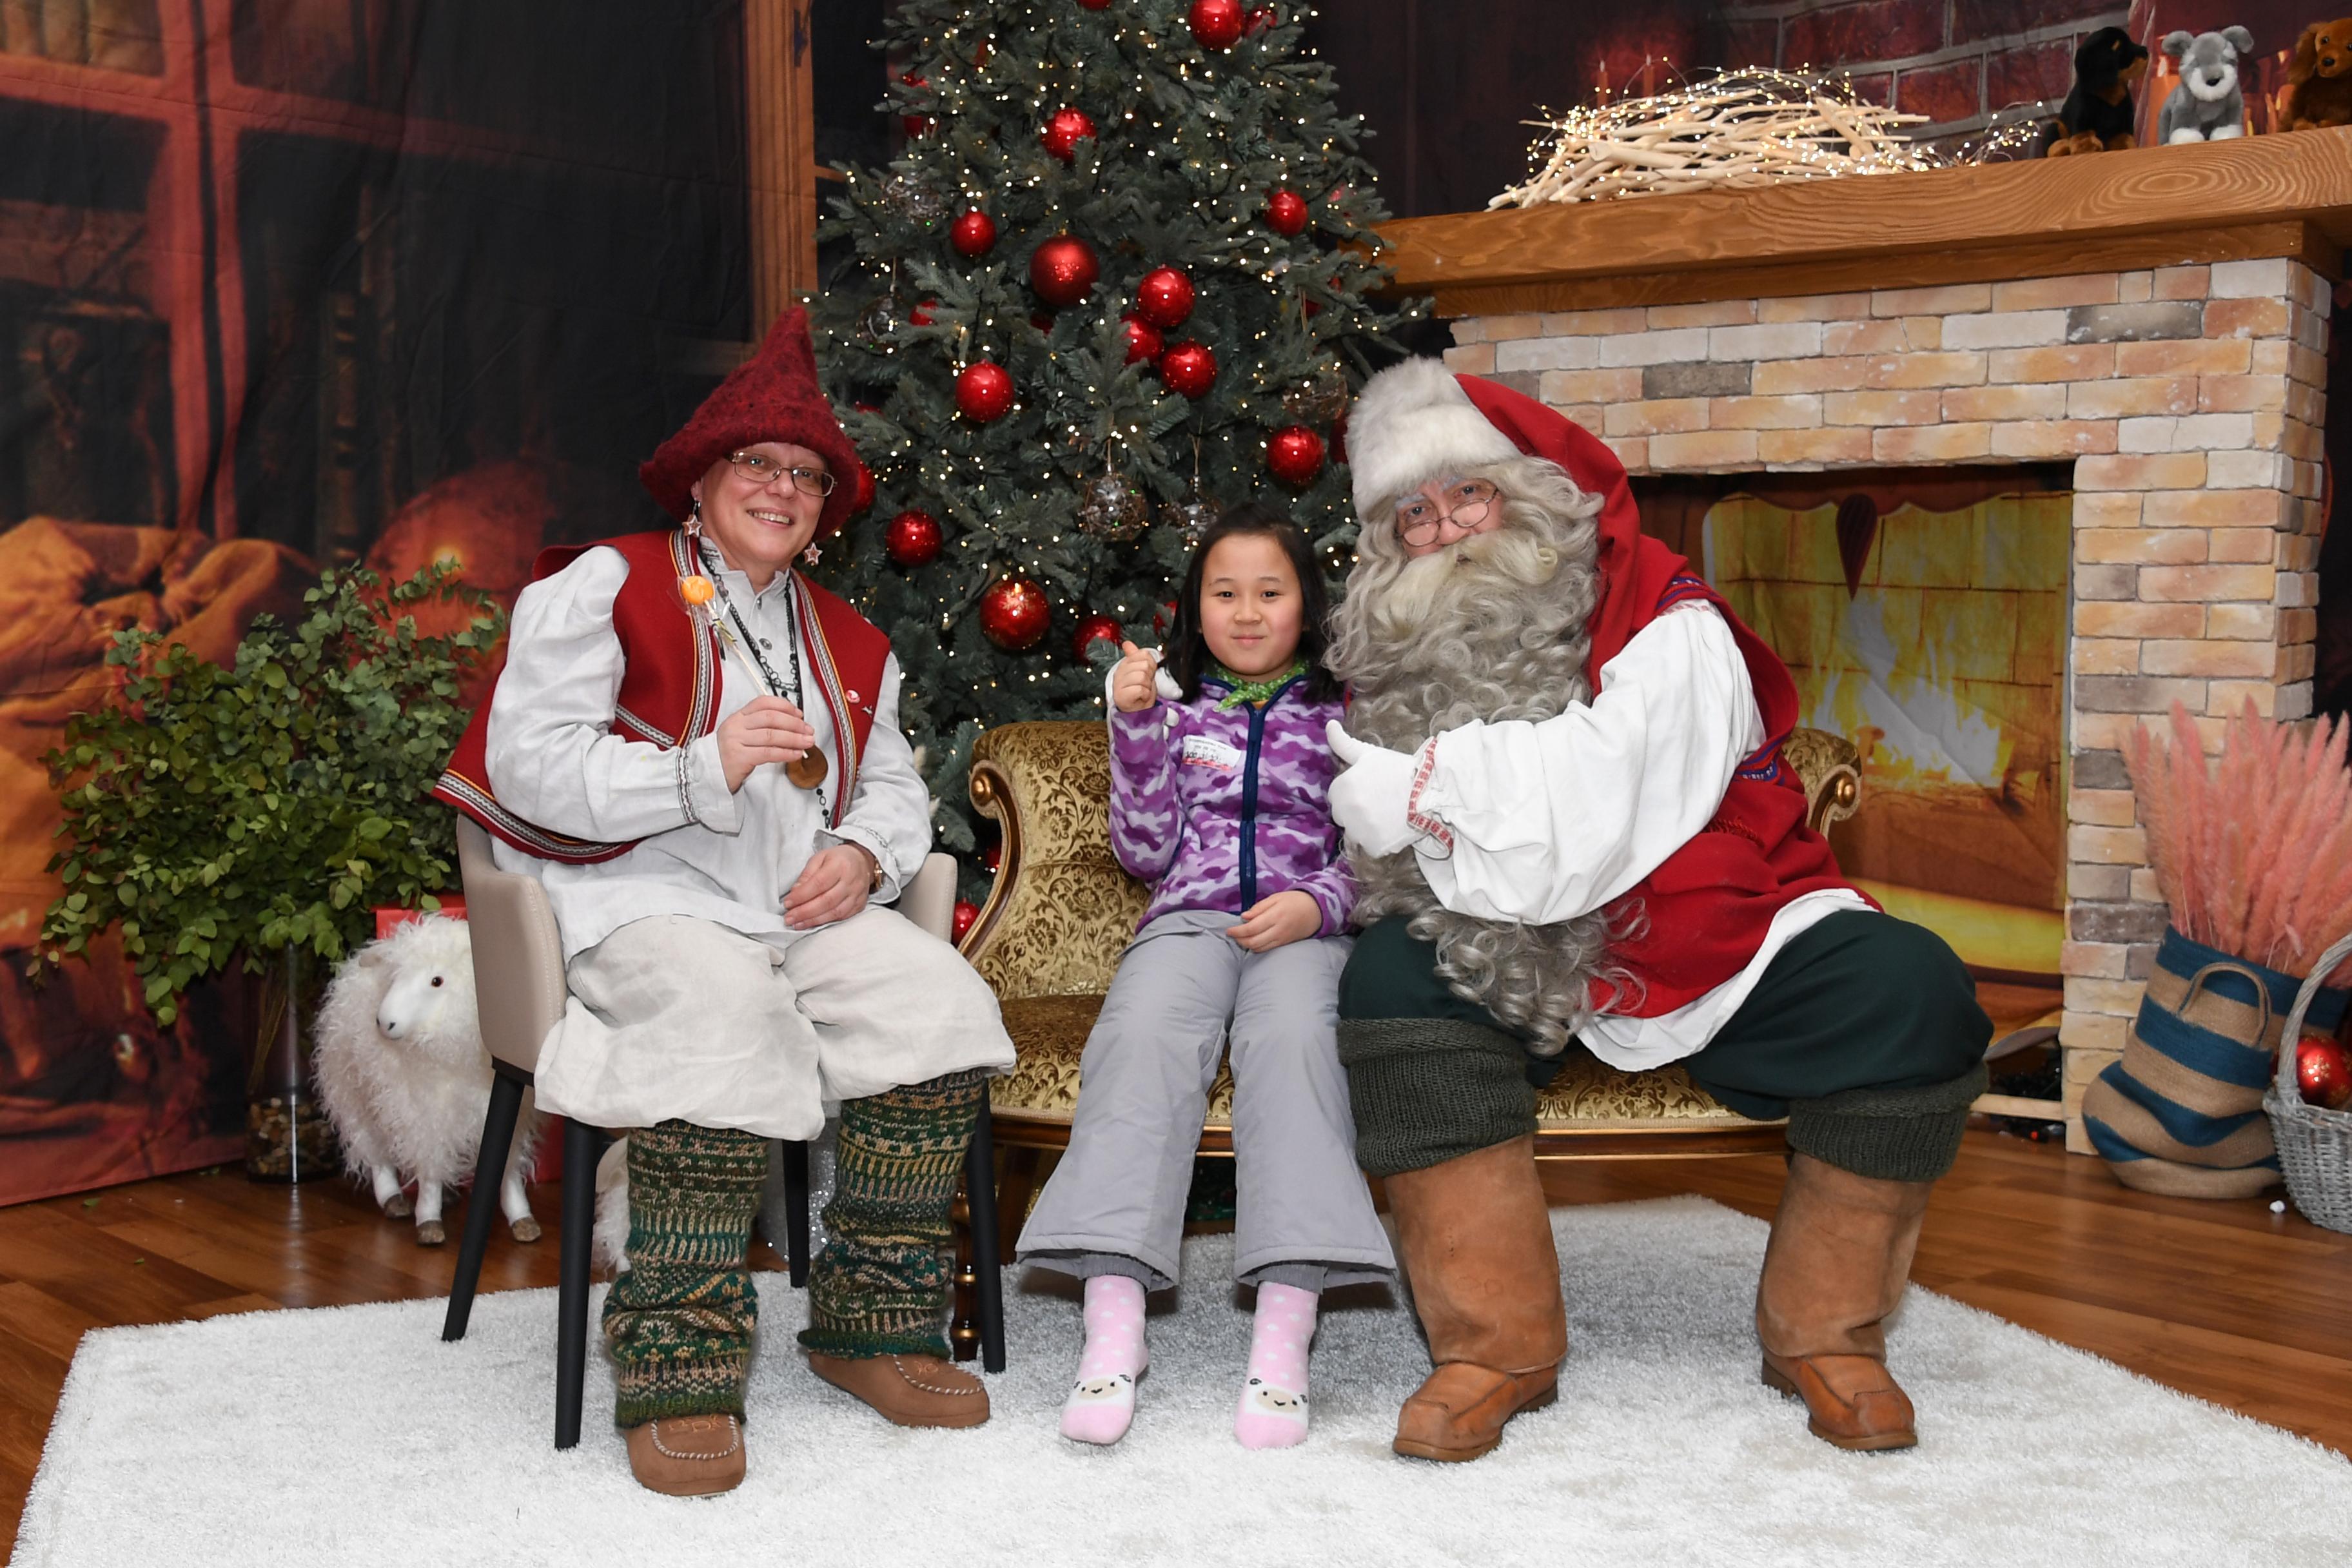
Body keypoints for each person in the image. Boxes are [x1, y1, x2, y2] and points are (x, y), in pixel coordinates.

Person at [1318, 358, 1990, 1464]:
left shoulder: (1668, 614)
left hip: (1700, 923)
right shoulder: (1404, 657)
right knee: (1391, 985)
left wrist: (1429, 792)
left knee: (1910, 989)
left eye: (1469, 496)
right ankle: (1494, 1344)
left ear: (1528, 494)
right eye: (1415, 515)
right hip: (1508, 947)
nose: (1446, 531)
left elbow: (1613, 797)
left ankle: (1829, 1332)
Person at [433, 309, 1015, 1496]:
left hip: (799, 912)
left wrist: (863, 854)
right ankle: (680, 1364)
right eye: (758, 463)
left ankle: (869, 1323)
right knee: (718, 1017)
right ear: (699, 481)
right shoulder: (607, 584)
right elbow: (533, 760)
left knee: (941, 1007)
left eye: (805, 476)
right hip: (631, 898)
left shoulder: (849, 639)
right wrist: (702, 765)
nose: (783, 489)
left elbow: (900, 787)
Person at [1015, 502, 1395, 1450]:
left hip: (1306, 931)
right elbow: (1143, 851)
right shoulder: (1175, 712)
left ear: (1307, 605)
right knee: (1139, 1039)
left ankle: (1283, 1338)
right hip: (1190, 918)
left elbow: (1386, 851)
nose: (1249, 611)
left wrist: (1320, 903)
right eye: (1225, 593)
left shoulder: (1352, 712)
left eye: (1272, 591)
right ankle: (1113, 1333)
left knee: (1299, 1044)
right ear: (1195, 608)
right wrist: (1137, 729)